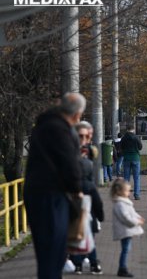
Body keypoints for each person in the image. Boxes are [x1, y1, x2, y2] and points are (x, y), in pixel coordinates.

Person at [24, 92, 85, 279]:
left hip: (39, 194)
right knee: (53, 254)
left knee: (49, 254)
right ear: (76, 115)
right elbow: (69, 163)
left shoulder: (45, 125)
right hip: (50, 196)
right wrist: (77, 190)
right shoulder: (59, 129)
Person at [70, 122, 105, 275]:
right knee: (87, 239)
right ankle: (92, 263)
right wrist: (101, 214)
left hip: (76, 211)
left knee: (79, 238)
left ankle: (78, 264)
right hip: (85, 211)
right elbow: (97, 200)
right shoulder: (89, 185)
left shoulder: (71, 183)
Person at [111, 179, 145, 277]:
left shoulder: (124, 202)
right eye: (127, 190)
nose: (129, 192)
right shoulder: (120, 204)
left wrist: (138, 217)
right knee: (125, 250)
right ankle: (122, 268)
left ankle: (123, 268)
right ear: (119, 191)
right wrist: (137, 221)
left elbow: (132, 212)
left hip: (126, 230)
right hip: (124, 230)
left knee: (126, 249)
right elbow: (126, 217)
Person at [121, 126, 143, 200]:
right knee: (136, 178)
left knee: (126, 178)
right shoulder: (136, 137)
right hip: (135, 158)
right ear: (133, 130)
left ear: (127, 130)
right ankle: (136, 195)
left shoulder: (123, 138)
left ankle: (125, 194)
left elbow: (121, 147)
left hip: (126, 159)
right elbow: (140, 147)